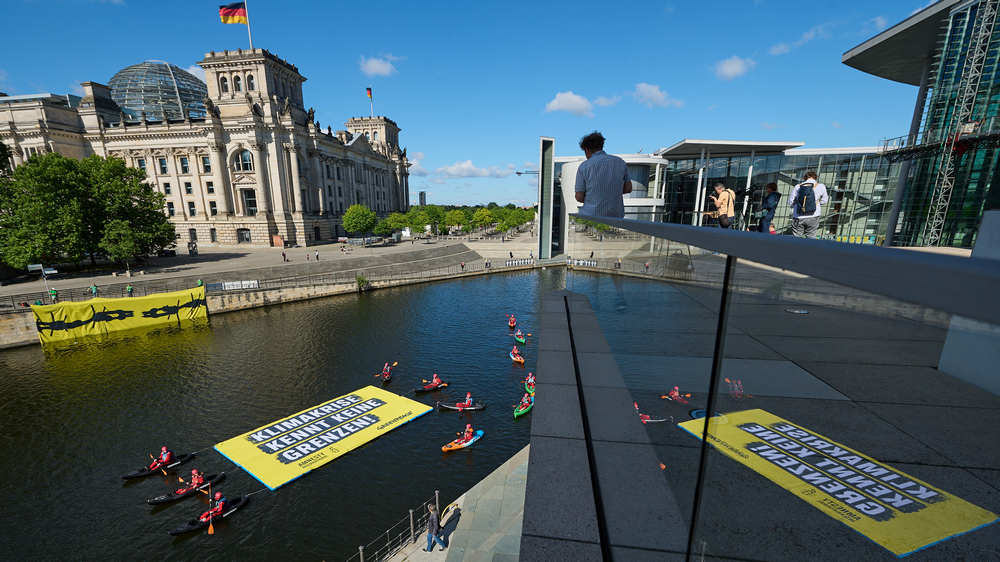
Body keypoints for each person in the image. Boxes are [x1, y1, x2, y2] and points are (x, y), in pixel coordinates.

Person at [574, 131, 631, 217]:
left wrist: (594, 197)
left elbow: (579, 197)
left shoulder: (584, 166)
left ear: (587, 149)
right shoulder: (620, 162)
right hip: (616, 216)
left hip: (591, 216)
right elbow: (628, 188)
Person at [789, 171, 829, 239]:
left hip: (799, 216)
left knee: (796, 238)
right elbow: (825, 200)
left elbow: (790, 202)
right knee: (811, 237)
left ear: (805, 178)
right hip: (814, 215)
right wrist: (814, 204)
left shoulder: (798, 187)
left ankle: (795, 249)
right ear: (815, 178)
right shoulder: (821, 186)